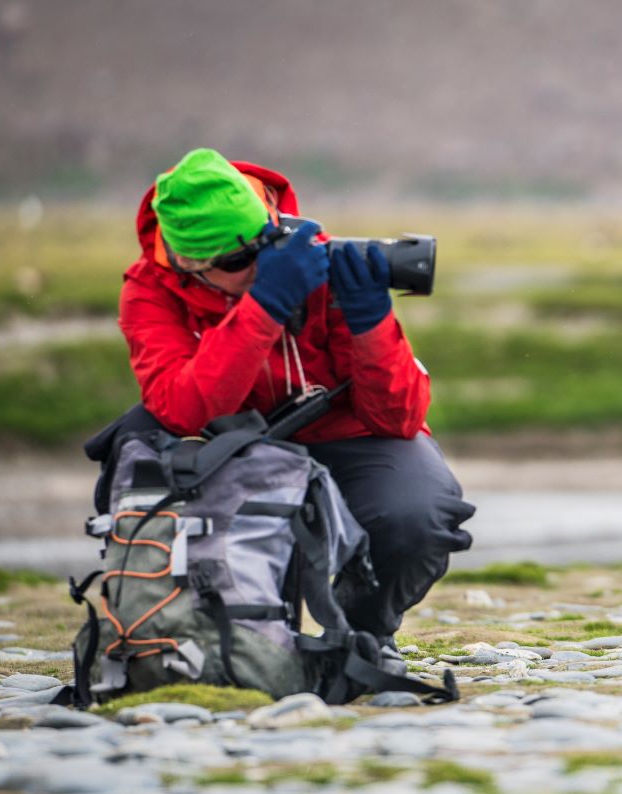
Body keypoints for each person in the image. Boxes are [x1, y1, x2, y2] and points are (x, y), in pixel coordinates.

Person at [109, 147, 474, 648]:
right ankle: (242, 643)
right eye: (241, 260)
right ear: (188, 262)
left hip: (345, 434)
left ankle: (362, 633)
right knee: (135, 450)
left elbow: (399, 418)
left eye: (265, 242)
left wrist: (370, 317)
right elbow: (184, 411)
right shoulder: (150, 291)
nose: (262, 264)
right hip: (230, 449)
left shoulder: (309, 257)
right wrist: (265, 307)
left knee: (417, 513)